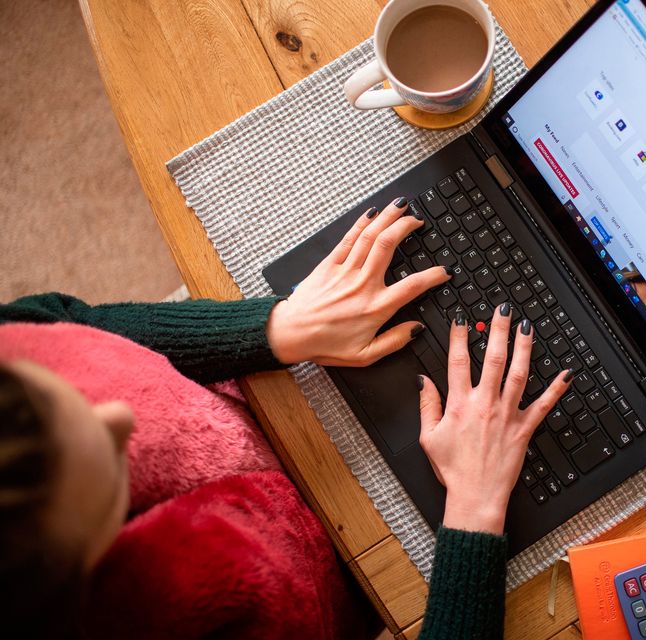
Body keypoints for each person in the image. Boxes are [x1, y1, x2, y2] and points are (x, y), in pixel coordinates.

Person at [0, 198, 571, 639]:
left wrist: (274, 328)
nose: (121, 416)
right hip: (344, 570)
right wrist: (476, 504)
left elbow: (57, 322)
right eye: (102, 471)